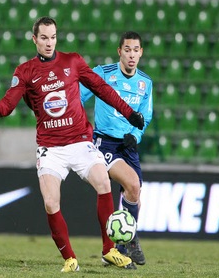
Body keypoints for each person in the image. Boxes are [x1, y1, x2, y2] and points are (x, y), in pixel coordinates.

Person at [0, 17, 144, 272]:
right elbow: (8, 103)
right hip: (51, 148)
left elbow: (102, 88)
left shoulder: (73, 61)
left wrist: (128, 113)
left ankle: (109, 251)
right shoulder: (25, 71)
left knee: (103, 182)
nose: (49, 43)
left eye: (53, 37)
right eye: (44, 38)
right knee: (50, 203)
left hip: (81, 141)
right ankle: (70, 259)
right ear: (34, 39)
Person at [80, 31, 153, 266]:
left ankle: (118, 248)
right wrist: (81, 126)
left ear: (141, 53)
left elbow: (145, 117)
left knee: (134, 194)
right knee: (132, 183)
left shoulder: (145, 83)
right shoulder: (103, 74)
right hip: (105, 142)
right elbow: (77, 97)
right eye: (127, 50)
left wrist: (136, 135)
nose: (132, 55)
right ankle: (129, 241)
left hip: (128, 145)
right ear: (119, 51)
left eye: (136, 50)